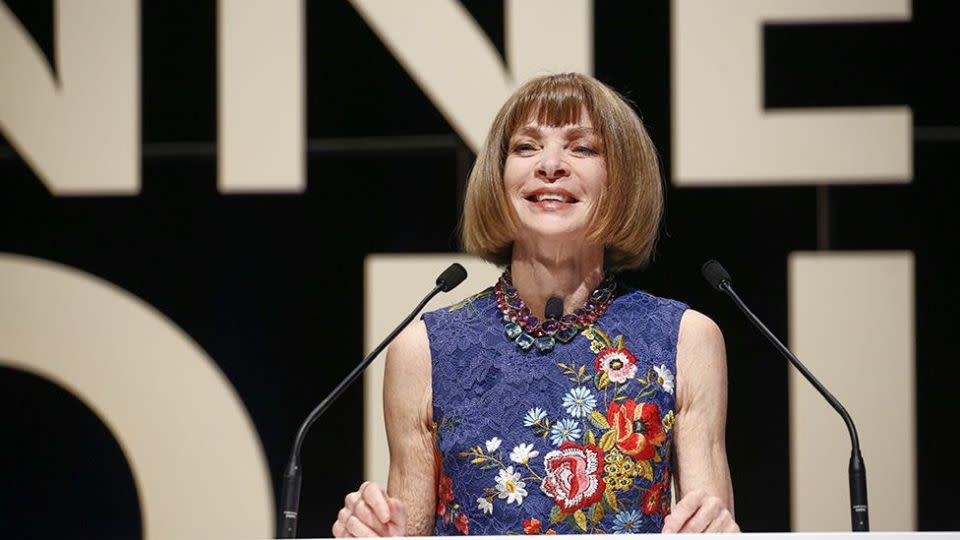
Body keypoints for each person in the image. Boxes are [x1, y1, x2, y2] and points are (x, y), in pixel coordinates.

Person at [332, 72, 739, 536]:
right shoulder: (423, 351)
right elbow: (410, 531)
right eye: (526, 147)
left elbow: (708, 523)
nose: (550, 165)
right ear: (499, 178)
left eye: (581, 148)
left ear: (622, 180)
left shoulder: (686, 340)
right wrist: (375, 532)